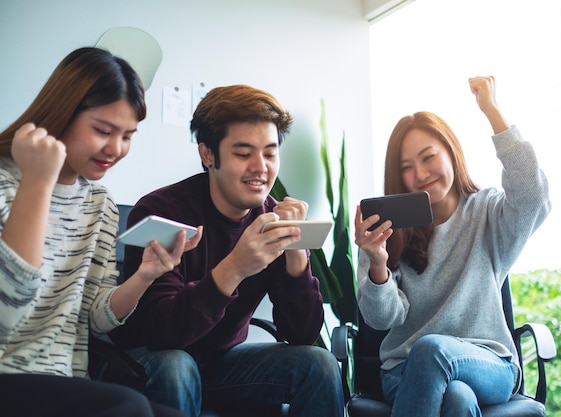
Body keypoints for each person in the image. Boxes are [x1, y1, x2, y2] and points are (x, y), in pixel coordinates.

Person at [109, 84, 345, 417]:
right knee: (177, 365)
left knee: (318, 363)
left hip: (224, 364)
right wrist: (235, 267)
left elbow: (302, 334)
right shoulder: (161, 211)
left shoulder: (272, 217)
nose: (260, 167)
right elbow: (163, 333)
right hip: (153, 360)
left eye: (270, 152)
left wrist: (296, 255)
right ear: (208, 154)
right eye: (243, 153)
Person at [0, 47, 202, 417]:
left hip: (65, 379)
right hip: (8, 375)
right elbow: (7, 314)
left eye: (127, 135)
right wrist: (39, 181)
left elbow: (95, 318)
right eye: (103, 131)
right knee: (130, 406)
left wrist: (145, 275)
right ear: (61, 115)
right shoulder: (7, 185)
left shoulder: (100, 203)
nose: (116, 149)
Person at [354, 76, 551, 417]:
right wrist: (377, 265)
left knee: (433, 351)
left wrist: (492, 111)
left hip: (489, 364)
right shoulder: (387, 231)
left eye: (429, 157)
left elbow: (532, 196)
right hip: (404, 370)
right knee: (457, 399)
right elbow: (382, 319)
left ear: (451, 151)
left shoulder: (488, 212)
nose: (420, 173)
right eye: (407, 168)